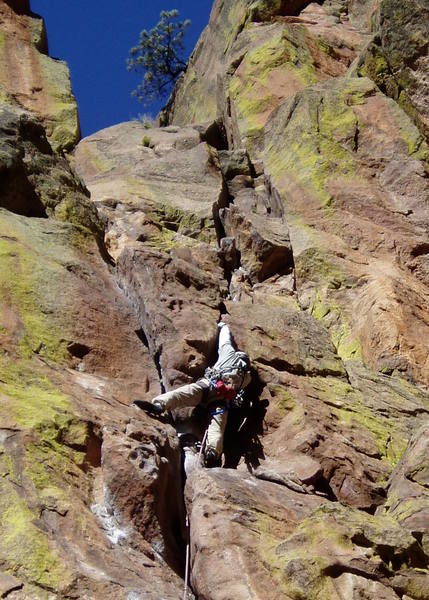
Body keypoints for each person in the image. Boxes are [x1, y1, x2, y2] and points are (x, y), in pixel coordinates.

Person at [134, 322, 251, 467]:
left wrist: (223, 326)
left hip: (208, 386)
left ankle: (159, 405)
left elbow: (225, 340)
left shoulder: (230, 354)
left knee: (182, 394)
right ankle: (212, 452)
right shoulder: (246, 378)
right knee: (217, 426)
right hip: (220, 402)